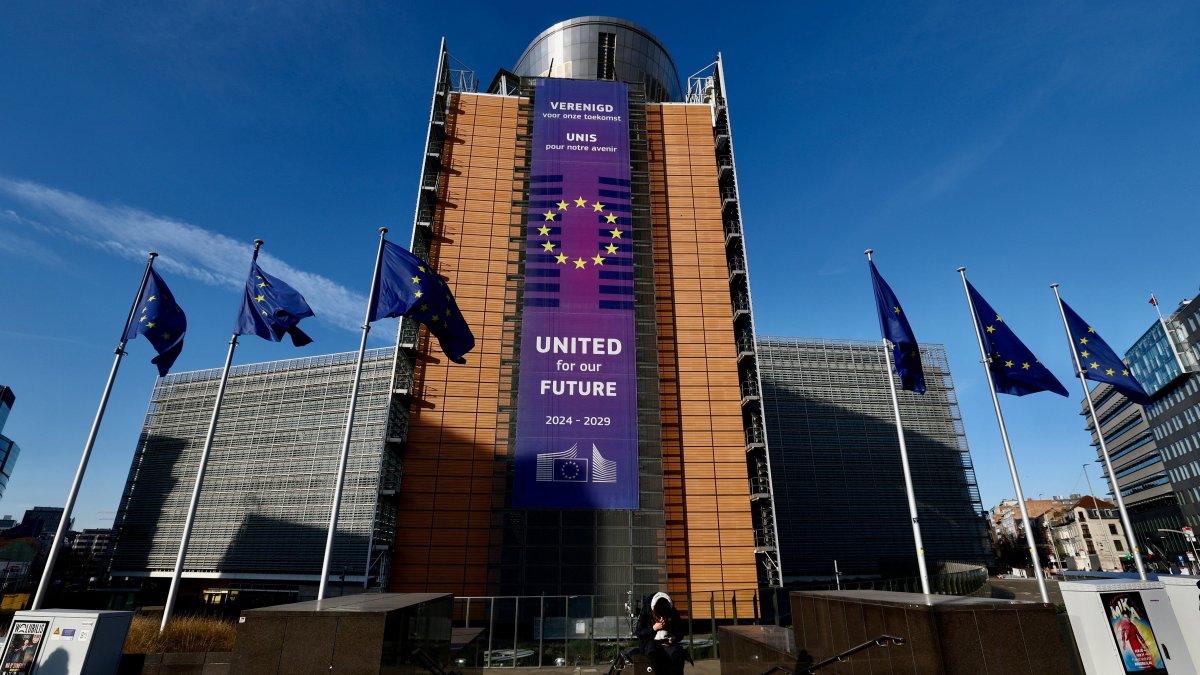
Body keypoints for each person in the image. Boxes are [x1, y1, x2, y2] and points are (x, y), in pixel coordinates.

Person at [634, 592, 687, 675]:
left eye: (664, 617)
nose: (662, 619)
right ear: (654, 611)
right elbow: (638, 632)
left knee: (678, 655)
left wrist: (674, 638)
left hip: (667, 642)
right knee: (653, 657)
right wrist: (654, 628)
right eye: (659, 616)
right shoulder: (647, 609)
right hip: (651, 641)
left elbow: (680, 631)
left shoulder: (672, 610)